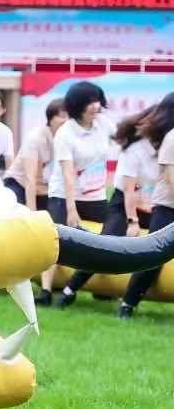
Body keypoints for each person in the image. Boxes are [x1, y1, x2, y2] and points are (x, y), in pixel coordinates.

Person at [56, 106, 159, 310]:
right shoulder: (135, 150)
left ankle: (128, 302)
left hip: (151, 205)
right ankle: (69, 291)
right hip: (124, 206)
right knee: (104, 247)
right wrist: (132, 221)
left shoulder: (165, 147)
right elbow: (128, 190)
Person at [45, 81, 113, 310]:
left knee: (111, 237)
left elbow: (123, 138)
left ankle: (96, 288)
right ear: (77, 106)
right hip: (63, 195)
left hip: (95, 195)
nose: (95, 106)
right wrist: (71, 210)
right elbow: (67, 175)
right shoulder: (65, 134)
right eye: (89, 102)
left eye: (97, 100)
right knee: (56, 239)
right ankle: (46, 290)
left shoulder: (103, 124)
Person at [3, 98, 67, 306]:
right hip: (20, 184)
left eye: (69, 116)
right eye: (62, 116)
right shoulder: (36, 138)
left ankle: (47, 289)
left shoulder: (68, 139)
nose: (66, 120)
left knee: (54, 231)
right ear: (51, 118)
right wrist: (32, 214)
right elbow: (30, 180)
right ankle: (5, 277)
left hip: (47, 189)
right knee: (21, 226)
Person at [120, 92, 174, 320]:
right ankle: (127, 304)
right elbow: (172, 178)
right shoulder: (172, 138)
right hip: (168, 207)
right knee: (154, 257)